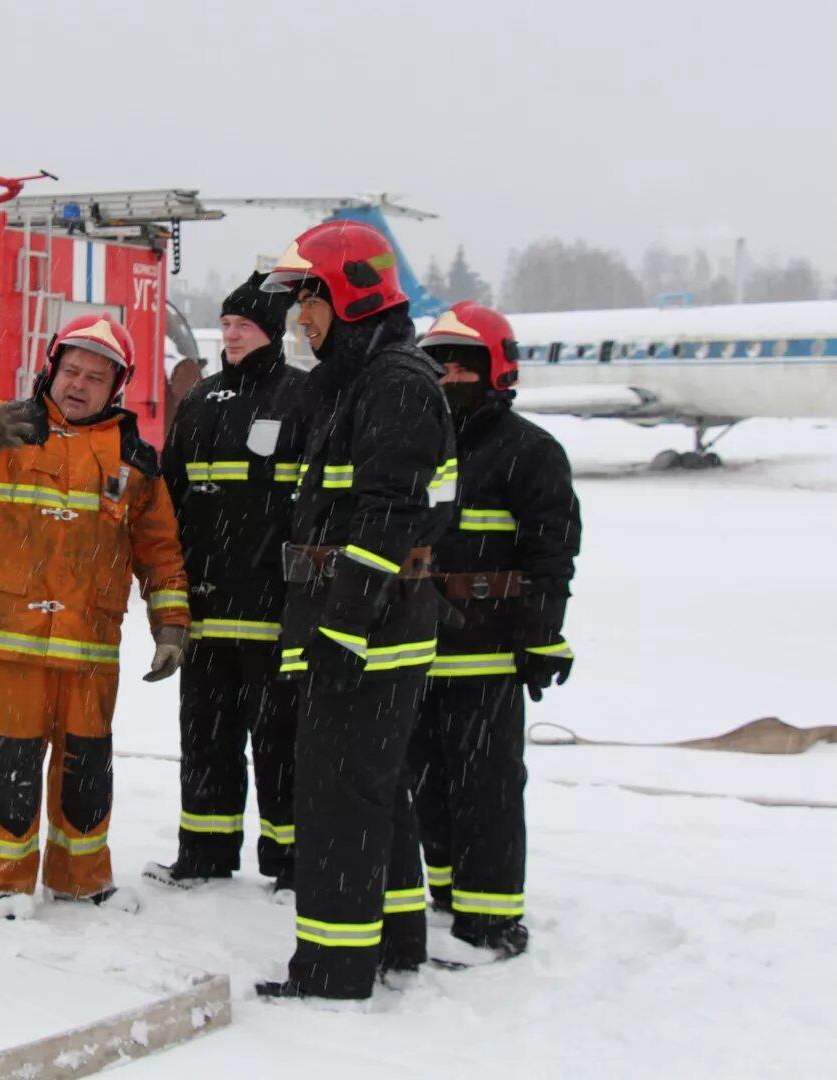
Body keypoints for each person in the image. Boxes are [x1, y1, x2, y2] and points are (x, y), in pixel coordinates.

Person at [0, 313, 191, 918]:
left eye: (96, 376)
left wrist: (171, 623)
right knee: (8, 767)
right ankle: (3, 887)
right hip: (9, 636)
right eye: (71, 370)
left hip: (90, 644)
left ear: (116, 387)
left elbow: (160, 549)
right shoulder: (7, 432)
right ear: (52, 368)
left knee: (86, 772)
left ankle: (81, 880)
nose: (78, 384)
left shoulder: (136, 460)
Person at [252, 220, 458, 1001]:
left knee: (337, 798)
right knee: (376, 791)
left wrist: (340, 628)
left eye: (307, 299)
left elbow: (387, 522)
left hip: (365, 630)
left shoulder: (394, 386)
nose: (298, 319)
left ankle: (335, 969)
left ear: (347, 295)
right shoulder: (360, 381)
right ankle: (398, 939)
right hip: (365, 624)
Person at [409, 300, 581, 960]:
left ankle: (493, 920)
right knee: (426, 782)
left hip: (487, 656)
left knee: (486, 788)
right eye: (439, 363)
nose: (450, 374)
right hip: (417, 651)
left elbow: (551, 555)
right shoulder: (416, 446)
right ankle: (450, 895)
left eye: (464, 362)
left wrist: (542, 635)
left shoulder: (530, 453)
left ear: (497, 370)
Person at [146, 271, 306, 893]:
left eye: (244, 324)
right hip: (208, 612)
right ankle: (205, 854)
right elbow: (170, 499)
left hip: (274, 612)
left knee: (279, 744)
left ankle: (289, 861)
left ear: (272, 330)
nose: (232, 333)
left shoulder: (303, 397)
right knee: (206, 740)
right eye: (228, 323)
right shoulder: (201, 399)